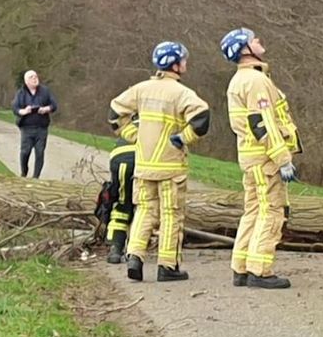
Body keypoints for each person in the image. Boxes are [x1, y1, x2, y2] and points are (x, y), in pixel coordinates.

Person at [109, 41, 210, 282]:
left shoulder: (140, 89)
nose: (185, 64)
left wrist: (134, 136)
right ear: (175, 64)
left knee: (144, 211)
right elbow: (202, 119)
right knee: (171, 215)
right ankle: (167, 265)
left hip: (144, 165)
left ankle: (135, 256)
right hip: (171, 167)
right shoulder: (181, 93)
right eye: (183, 60)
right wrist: (183, 138)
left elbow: (114, 115)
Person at [220, 28, 302, 289]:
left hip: (251, 157)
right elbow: (263, 123)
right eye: (254, 39)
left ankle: (241, 267)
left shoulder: (241, 80)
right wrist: (283, 158)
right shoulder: (256, 82)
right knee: (272, 211)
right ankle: (260, 270)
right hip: (265, 158)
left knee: (253, 210)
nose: (259, 41)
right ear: (245, 48)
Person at [12, 70, 58, 179]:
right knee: (25, 152)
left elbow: (54, 105)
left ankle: (36, 177)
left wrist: (46, 109)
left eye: (36, 76)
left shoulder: (45, 91)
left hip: (41, 127)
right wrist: (23, 111)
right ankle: (24, 171)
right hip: (27, 128)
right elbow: (15, 108)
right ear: (26, 81)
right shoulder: (21, 93)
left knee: (40, 152)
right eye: (31, 77)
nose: (35, 78)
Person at [104, 133, 137, 264]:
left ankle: (115, 248)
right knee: (146, 207)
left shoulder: (131, 123)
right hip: (142, 159)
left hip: (118, 158)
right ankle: (136, 251)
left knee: (122, 204)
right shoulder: (160, 121)